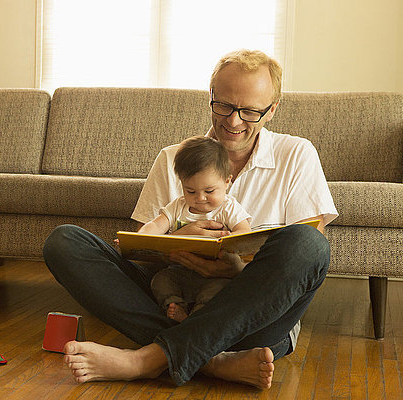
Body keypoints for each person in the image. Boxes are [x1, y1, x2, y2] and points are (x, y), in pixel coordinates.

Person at [43, 49, 338, 389]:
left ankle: (148, 358)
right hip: (177, 296)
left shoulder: (297, 154)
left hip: (251, 318)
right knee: (64, 242)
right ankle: (214, 361)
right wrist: (173, 247)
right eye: (223, 105)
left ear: (272, 110)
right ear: (210, 97)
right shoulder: (173, 157)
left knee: (309, 245)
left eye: (250, 111)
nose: (234, 121)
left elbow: (301, 264)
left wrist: (237, 269)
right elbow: (141, 250)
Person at [139, 136, 251, 323]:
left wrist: (227, 240)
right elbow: (156, 225)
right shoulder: (178, 206)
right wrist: (139, 239)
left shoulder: (228, 208)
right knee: (160, 280)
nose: (200, 198)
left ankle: (196, 319)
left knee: (218, 292)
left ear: (227, 181)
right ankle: (176, 308)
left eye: (209, 191)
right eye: (190, 191)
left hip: (216, 276)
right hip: (180, 272)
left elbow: (245, 233)